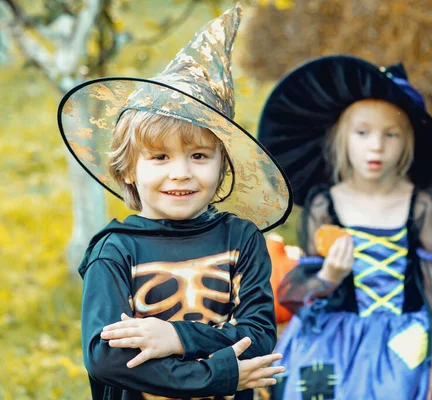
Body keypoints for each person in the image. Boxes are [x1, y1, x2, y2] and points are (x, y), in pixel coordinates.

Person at [57, 4, 292, 399]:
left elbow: (260, 337)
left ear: (222, 167)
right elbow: (105, 358)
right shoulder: (116, 251)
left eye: (199, 156)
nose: (181, 172)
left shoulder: (242, 239)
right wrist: (215, 374)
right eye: (160, 157)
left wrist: (175, 337)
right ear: (129, 168)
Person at [256, 55, 432, 400]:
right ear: (341, 137)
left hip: (401, 335)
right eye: (362, 133)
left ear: (407, 141)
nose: (376, 146)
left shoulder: (423, 204)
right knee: (312, 386)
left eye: (390, 134)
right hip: (334, 331)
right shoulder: (325, 204)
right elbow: (300, 295)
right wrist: (329, 276)